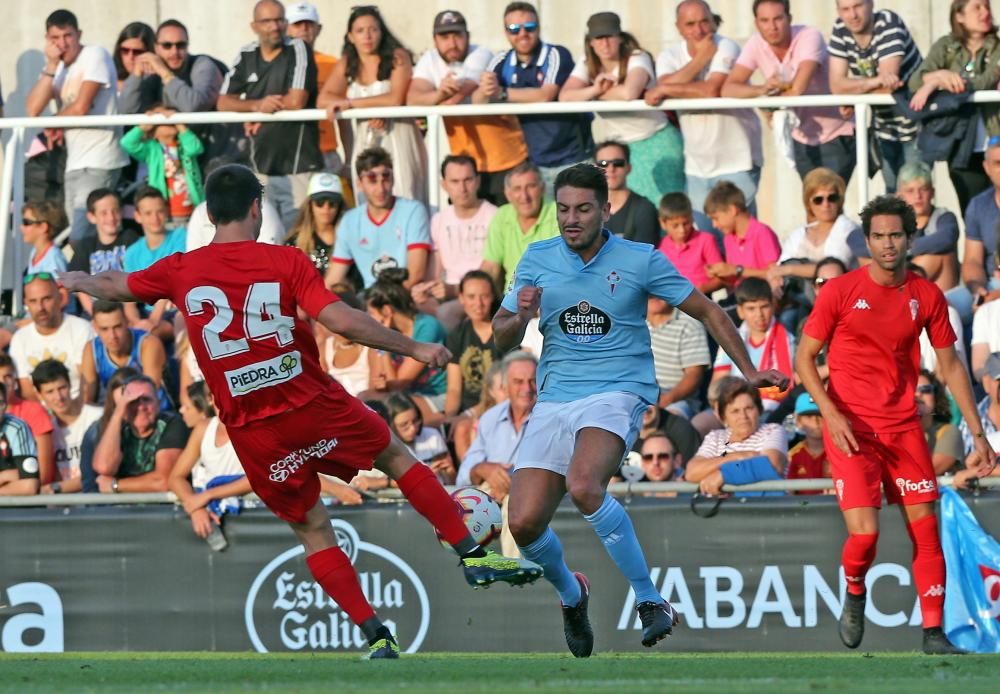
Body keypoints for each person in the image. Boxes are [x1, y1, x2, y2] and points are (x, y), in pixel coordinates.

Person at [60, 163, 542, 658]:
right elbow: (340, 319)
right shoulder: (284, 260)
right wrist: (412, 347)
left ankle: (377, 635)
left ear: (207, 213)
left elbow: (119, 284)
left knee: (313, 527)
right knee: (397, 459)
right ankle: (471, 553)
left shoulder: (182, 269)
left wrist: (80, 279)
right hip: (311, 403)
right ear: (256, 209)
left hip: (253, 430)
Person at [492, 163, 788, 656]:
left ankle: (650, 600)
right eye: (563, 208)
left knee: (585, 486)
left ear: (606, 210)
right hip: (555, 397)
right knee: (521, 523)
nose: (571, 218)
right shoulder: (537, 257)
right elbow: (501, 333)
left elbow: (710, 310)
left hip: (616, 391)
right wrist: (520, 314)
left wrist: (750, 371)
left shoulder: (640, 259)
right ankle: (573, 594)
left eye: (583, 208)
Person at [795, 194, 996, 655]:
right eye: (879, 236)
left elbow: (951, 367)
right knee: (864, 536)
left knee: (926, 532)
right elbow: (804, 359)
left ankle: (932, 633)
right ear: (868, 241)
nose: (888, 244)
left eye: (896, 235)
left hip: (904, 426)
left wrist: (977, 433)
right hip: (850, 429)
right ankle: (855, 589)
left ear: (910, 239)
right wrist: (830, 412)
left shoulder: (927, 296)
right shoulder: (839, 291)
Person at [647, 0, 763, 220]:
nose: (699, 30)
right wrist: (702, 59)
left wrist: (667, 87)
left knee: (740, 236)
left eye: (704, 22)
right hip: (697, 164)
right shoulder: (668, 56)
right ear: (678, 27)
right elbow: (665, 89)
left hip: (738, 159)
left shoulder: (727, 46)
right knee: (707, 237)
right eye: (690, 24)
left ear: (713, 22)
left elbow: (711, 90)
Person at [722, 0, 855, 184]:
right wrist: (762, 89)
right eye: (765, 20)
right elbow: (729, 88)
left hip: (836, 132)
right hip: (800, 137)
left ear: (789, 19)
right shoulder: (755, 43)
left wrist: (770, 101)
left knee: (827, 203)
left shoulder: (809, 36)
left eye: (778, 19)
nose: (772, 26)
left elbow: (797, 89)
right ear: (756, 23)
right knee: (814, 207)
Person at [24, 10, 128, 242]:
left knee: (82, 236)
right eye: (55, 38)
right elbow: (32, 109)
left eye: (67, 36)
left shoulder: (94, 54)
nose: (62, 44)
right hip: (75, 163)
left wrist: (53, 122)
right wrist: (51, 65)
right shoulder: (59, 69)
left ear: (79, 34)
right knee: (81, 238)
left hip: (101, 159)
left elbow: (81, 106)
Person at [218, 0, 324, 228]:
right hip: (259, 169)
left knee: (296, 241)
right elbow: (223, 102)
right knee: (265, 240)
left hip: (299, 166)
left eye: (279, 20)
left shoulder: (298, 48)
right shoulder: (246, 54)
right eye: (267, 21)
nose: (275, 26)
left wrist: (262, 108)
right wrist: (256, 107)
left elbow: (297, 100)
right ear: (254, 26)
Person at [559, 12, 684, 204]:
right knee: (629, 212)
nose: (605, 43)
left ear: (620, 37)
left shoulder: (637, 56)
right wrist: (595, 88)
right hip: (620, 152)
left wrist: (592, 93)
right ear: (590, 42)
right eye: (599, 38)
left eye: (609, 36)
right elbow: (565, 97)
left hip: (657, 142)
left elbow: (629, 93)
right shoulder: (587, 63)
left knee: (668, 210)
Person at [407, 10, 528, 206]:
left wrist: (438, 100)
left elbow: (463, 88)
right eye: (444, 36)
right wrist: (438, 94)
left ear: (468, 36)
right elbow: (413, 98)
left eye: (457, 35)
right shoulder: (429, 60)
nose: (452, 43)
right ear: (434, 39)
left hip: (507, 158)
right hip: (467, 167)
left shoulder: (481, 53)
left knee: (511, 227)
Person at [318, 5, 427, 204]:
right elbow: (323, 99)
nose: (367, 36)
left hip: (398, 138)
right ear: (350, 36)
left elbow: (395, 99)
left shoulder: (398, 57)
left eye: (373, 29)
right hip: (365, 139)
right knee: (367, 198)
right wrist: (354, 105)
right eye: (360, 31)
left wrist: (350, 104)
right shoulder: (347, 63)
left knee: (404, 193)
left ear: (381, 32)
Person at [481, 2, 592, 188]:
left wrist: (500, 93)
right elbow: (480, 99)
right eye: (514, 29)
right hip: (533, 164)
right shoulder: (501, 60)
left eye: (529, 27)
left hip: (573, 157)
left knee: (579, 216)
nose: (523, 34)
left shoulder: (556, 54)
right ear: (506, 33)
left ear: (539, 28)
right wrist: (484, 90)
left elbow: (545, 95)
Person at [909, 0, 1000, 213]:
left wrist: (938, 82)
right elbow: (915, 82)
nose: (985, 12)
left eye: (986, 6)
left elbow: (984, 81)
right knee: (972, 210)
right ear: (959, 16)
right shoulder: (945, 46)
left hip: (995, 141)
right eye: (977, 7)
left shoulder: (996, 46)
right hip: (960, 146)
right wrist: (937, 76)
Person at [828, 0, 922, 192]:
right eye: (845, 9)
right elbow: (836, 85)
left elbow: (888, 84)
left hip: (916, 123)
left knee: (914, 194)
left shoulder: (888, 23)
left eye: (858, 6)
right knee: (891, 192)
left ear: (871, 4)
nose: (852, 15)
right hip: (884, 126)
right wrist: (872, 83)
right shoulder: (840, 28)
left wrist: (853, 93)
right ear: (838, 10)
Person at [326, 147, 431, 290]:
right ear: (359, 184)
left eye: (386, 178)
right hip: (370, 298)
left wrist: (383, 300)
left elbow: (415, 273)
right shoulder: (349, 221)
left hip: (406, 295)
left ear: (393, 179)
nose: (381, 188)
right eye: (372, 179)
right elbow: (333, 279)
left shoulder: (412, 211)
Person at [851, 162, 959, 291]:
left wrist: (901, 247)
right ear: (899, 196)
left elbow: (946, 238)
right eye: (910, 191)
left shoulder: (943, 216)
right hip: (897, 277)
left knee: (939, 255)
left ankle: (897, 291)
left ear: (932, 192)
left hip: (941, 293)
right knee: (867, 256)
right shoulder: (891, 219)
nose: (917, 196)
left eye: (923, 189)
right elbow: (854, 238)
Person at [412, 155, 498, 317]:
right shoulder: (438, 220)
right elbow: (434, 271)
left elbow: (493, 274)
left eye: (468, 180)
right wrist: (425, 290)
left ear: (478, 181)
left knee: (446, 314)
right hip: (447, 295)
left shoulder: (495, 216)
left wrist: (454, 290)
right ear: (444, 184)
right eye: (455, 182)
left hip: (481, 296)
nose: (462, 188)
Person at [168, 388, 253, 544]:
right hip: (214, 521)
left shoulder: (255, 428)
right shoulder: (203, 429)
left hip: (252, 517)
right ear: (210, 399)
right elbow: (175, 477)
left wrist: (208, 495)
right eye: (221, 394)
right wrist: (196, 507)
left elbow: (262, 476)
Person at [363, 269, 449, 420]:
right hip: (404, 397)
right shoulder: (379, 334)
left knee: (385, 408)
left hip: (434, 397)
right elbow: (375, 385)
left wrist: (385, 338)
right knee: (365, 397)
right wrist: (380, 385)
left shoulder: (427, 327)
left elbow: (398, 385)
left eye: (371, 313)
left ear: (387, 310)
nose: (368, 318)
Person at [685, 378, 789, 496]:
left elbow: (772, 465)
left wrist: (724, 475)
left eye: (749, 408)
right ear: (723, 417)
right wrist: (736, 457)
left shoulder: (772, 430)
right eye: (735, 411)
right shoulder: (715, 437)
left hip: (762, 508)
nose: (743, 416)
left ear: (759, 410)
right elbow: (692, 472)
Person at [89, 374, 189, 493]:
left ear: (158, 403)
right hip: (123, 509)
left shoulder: (173, 424)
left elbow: (164, 481)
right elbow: (104, 467)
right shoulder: (117, 429)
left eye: (146, 399)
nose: (141, 407)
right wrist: (118, 413)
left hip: (162, 508)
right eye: (133, 401)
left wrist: (115, 485)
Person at [711, 277, 795, 413]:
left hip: (774, 409)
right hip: (731, 407)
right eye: (751, 308)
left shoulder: (789, 340)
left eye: (764, 307)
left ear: (773, 306)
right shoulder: (729, 340)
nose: (759, 315)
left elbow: (792, 382)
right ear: (740, 311)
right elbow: (717, 385)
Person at [9, 274, 95, 402]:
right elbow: (27, 392)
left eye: (46, 299)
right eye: (33, 301)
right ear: (26, 303)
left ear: (60, 298)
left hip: (79, 412)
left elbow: (88, 388)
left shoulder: (82, 330)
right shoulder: (19, 340)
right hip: (40, 418)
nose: (40, 308)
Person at [284, 3, 346, 174]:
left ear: (319, 29)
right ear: (286, 28)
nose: (304, 29)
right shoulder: (276, 64)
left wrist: (349, 155)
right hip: (288, 152)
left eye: (309, 24)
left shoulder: (333, 64)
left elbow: (344, 117)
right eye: (297, 24)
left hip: (325, 150)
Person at [480, 162, 559, 292]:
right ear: (508, 194)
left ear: (543, 189)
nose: (524, 196)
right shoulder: (502, 215)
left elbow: (562, 269)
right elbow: (491, 266)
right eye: (517, 189)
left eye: (531, 187)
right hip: (512, 301)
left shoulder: (559, 213)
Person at [120, 104, 205, 225]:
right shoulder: (152, 149)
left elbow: (195, 148)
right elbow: (127, 143)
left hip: (192, 212)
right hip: (166, 214)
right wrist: (142, 127)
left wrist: (179, 123)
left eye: (170, 119)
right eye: (161, 120)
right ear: (153, 132)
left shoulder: (184, 145)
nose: (168, 121)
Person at [119, 18, 225, 115]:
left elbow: (194, 105)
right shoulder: (151, 70)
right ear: (156, 47)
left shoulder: (203, 65)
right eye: (167, 45)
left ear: (187, 46)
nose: (174, 52)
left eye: (180, 45)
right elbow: (126, 111)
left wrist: (164, 73)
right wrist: (136, 75)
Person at [772, 168, 857, 285]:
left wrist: (789, 269)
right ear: (809, 203)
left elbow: (832, 269)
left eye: (832, 198)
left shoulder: (847, 228)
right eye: (818, 200)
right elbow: (779, 268)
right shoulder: (798, 234)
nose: (826, 204)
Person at [80, 300, 169, 409]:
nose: (112, 336)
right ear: (95, 327)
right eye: (104, 329)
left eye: (117, 327)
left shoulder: (148, 344)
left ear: (127, 322)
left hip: (157, 414)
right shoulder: (91, 349)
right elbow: (86, 401)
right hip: (118, 414)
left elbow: (148, 394)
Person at [31, 359, 102, 494]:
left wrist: (57, 488)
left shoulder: (97, 417)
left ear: (70, 385)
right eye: (50, 392)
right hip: (64, 507)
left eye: (62, 388)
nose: (58, 397)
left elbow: (99, 472)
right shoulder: (46, 431)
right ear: (39, 395)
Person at [704, 182, 781, 285]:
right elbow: (735, 279)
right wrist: (721, 274)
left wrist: (737, 270)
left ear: (732, 210)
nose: (714, 225)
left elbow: (777, 274)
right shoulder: (729, 238)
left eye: (716, 218)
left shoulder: (762, 232)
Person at [647, 296, 710, 418]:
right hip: (638, 393)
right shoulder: (632, 319)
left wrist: (664, 401)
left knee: (669, 421)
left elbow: (694, 375)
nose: (653, 294)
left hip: (677, 400)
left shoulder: (689, 324)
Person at [0, 355, 56, 487]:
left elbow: (43, 474)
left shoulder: (34, 411)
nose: (3, 382)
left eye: (7, 376)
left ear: (15, 379)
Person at [656, 192, 724, 294]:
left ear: (692, 218)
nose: (682, 230)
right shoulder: (662, 246)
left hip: (702, 299)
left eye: (686, 223)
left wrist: (703, 288)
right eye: (675, 226)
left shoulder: (706, 240)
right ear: (663, 223)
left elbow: (722, 278)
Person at [595, 141, 660, 246]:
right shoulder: (586, 210)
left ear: (628, 168)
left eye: (618, 163)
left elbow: (642, 259)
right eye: (603, 164)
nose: (611, 169)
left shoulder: (645, 208)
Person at [284, 172, 348, 278]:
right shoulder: (293, 243)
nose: (326, 208)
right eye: (320, 202)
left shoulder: (351, 238)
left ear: (339, 206)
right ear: (310, 205)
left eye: (332, 203)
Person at [385, 393, 455, 485]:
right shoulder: (386, 446)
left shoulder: (432, 435)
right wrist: (424, 477)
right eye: (404, 425)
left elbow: (451, 482)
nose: (413, 428)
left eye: (415, 420)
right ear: (390, 425)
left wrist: (450, 473)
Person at [916, 370, 965, 474]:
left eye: (925, 389)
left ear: (936, 396)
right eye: (911, 389)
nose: (918, 394)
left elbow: (933, 469)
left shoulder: (949, 432)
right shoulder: (893, 433)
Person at [0, 382, 40, 497]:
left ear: (6, 405)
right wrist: (6, 476)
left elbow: (29, 486)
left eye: (0, 403)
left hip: (16, 511)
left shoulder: (17, 428)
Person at [785, 392, 829, 496]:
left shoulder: (840, 451)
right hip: (803, 509)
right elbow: (790, 493)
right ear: (798, 421)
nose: (815, 421)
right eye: (809, 416)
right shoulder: (793, 456)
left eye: (820, 415)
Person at [20, 200, 69, 275]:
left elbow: (62, 286)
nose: (21, 227)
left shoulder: (54, 259)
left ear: (43, 227)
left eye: (26, 222)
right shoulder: (35, 252)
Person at [112, 22, 156, 94]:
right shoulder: (108, 78)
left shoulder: (156, 84)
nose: (130, 57)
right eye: (125, 50)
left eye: (137, 52)